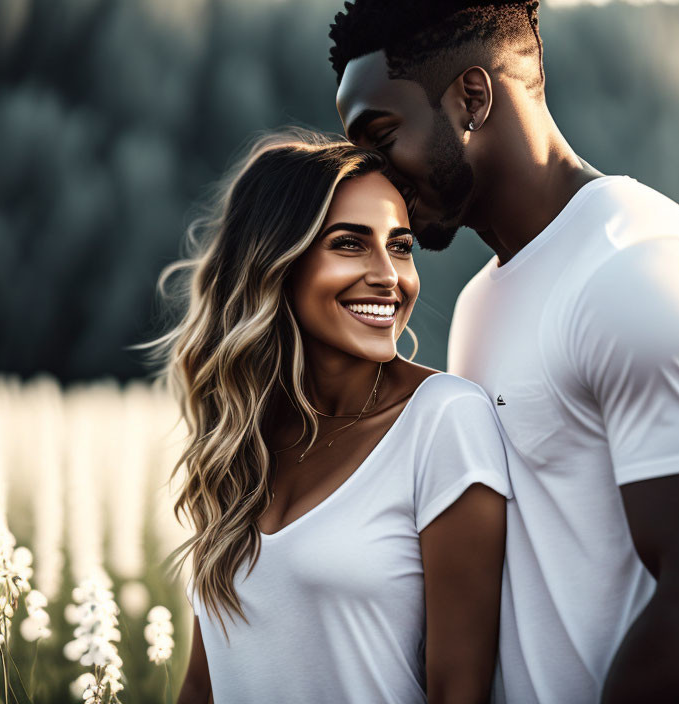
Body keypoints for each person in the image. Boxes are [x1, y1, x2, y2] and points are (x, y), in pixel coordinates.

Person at [329, 2, 679, 703]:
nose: (371, 176)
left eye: (382, 137)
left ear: (471, 99)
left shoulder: (644, 277)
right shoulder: (485, 300)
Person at [146, 129, 512, 703]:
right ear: (277, 263)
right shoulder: (241, 442)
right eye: (350, 243)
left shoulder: (444, 423)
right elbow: (202, 686)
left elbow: (459, 692)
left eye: (400, 244)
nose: (389, 276)